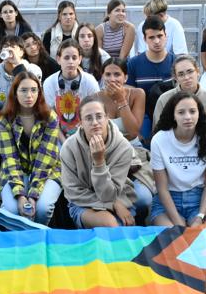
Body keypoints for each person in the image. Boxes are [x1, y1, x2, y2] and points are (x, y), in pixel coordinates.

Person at [61, 97, 153, 228]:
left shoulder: (123, 147)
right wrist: (114, 205)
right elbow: (73, 192)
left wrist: (99, 163)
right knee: (110, 224)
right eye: (88, 118)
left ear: (107, 118)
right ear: (80, 123)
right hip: (83, 202)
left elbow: (109, 194)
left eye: (99, 116)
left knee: (121, 232)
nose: (95, 122)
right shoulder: (68, 148)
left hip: (116, 196)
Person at [149, 91, 206, 227]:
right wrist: (178, 222)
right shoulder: (159, 140)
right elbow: (162, 188)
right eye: (181, 112)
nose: (188, 117)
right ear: (173, 115)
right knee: (175, 237)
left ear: (199, 113)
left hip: (200, 200)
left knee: (202, 238)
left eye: (192, 111)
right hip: (168, 201)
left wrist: (200, 216)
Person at [0, 72, 62, 225]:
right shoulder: (5, 119)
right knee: (12, 210)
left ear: (39, 92)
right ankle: (16, 242)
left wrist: (33, 195)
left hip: (47, 172)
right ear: (15, 92)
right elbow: (10, 158)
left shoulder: (50, 118)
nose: (29, 95)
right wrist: (20, 195)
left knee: (42, 208)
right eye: (24, 90)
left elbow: (45, 159)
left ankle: (39, 237)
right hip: (14, 172)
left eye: (34, 90)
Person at [152, 55, 206, 146]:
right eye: (181, 74)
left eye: (190, 72)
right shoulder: (164, 99)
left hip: (204, 152)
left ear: (198, 72)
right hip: (172, 154)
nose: (186, 77)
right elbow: (159, 132)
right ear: (175, 78)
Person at [126, 16, 175, 140]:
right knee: (147, 141)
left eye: (160, 36)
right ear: (144, 39)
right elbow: (129, 96)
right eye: (151, 37)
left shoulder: (175, 62)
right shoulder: (134, 63)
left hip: (171, 112)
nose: (157, 41)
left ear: (166, 36)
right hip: (144, 114)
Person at [43, 38, 100, 139]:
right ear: (58, 59)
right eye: (66, 58)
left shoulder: (90, 81)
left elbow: (95, 115)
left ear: (80, 59)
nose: (71, 62)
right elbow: (51, 119)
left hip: (86, 134)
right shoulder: (49, 83)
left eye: (74, 58)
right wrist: (64, 142)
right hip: (58, 135)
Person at [0, 36, 40, 120]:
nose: (9, 49)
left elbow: (30, 91)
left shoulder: (34, 70)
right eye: (5, 47)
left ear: (22, 52)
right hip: (4, 121)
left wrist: (17, 63)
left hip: (30, 117)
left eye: (13, 47)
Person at [95, 58, 145, 143]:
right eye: (108, 74)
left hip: (131, 146)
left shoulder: (138, 94)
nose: (112, 79)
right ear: (103, 77)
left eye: (117, 74)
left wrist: (121, 100)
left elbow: (133, 132)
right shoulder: (95, 98)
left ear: (125, 78)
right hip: (106, 147)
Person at [0, 0, 34, 65]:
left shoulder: (25, 28)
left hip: (23, 62)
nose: (8, 14)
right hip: (4, 63)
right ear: (1, 15)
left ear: (16, 13)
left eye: (11, 11)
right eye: (5, 12)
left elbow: (29, 48)